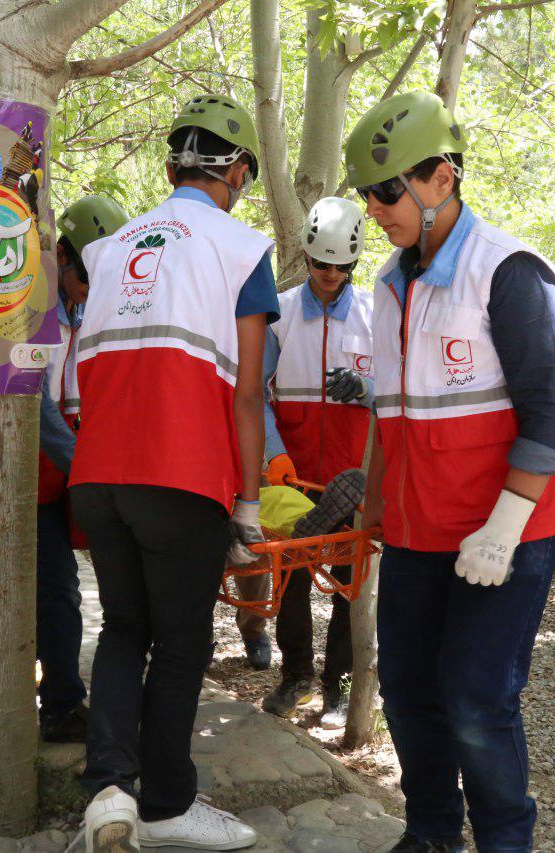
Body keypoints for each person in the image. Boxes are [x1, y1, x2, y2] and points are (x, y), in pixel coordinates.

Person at [348, 91, 555, 853]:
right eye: (367, 195)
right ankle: (433, 832)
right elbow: (390, 415)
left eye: (387, 192)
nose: (376, 210)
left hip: (502, 530)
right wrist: (370, 513)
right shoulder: (386, 286)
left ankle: (505, 842)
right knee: (408, 691)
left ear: (441, 178)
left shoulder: (510, 271)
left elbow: (549, 414)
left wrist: (505, 527)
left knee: (477, 697)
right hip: (418, 529)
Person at [70, 93, 275, 851]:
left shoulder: (106, 247)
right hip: (181, 474)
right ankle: (166, 803)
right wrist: (248, 503)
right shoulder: (241, 248)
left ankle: (108, 794)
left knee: (124, 627)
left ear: (170, 168)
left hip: (99, 474)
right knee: (183, 639)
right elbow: (249, 391)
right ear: (240, 172)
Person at [259, 197, 373, 727]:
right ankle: (296, 675)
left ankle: (337, 686)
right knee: (293, 579)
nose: (331, 274)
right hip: (294, 476)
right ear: (305, 255)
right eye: (321, 263)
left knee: (352, 581)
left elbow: (402, 394)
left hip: (354, 478)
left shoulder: (376, 316)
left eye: (341, 266)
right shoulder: (278, 318)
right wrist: (274, 453)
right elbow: (254, 396)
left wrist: (369, 391)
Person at [36, 193, 128, 744]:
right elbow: (36, 404)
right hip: (44, 476)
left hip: (79, 471)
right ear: (65, 259)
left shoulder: (87, 310)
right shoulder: (35, 315)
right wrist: (84, 463)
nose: (96, 290)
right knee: (56, 591)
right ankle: (62, 703)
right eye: (90, 276)